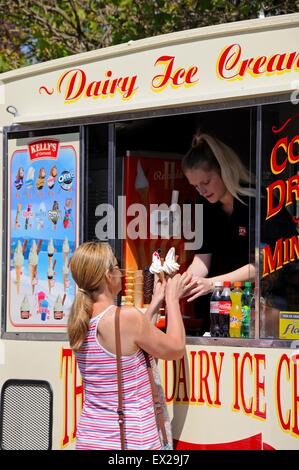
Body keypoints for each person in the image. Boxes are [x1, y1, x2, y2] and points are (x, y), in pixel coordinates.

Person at [67, 241, 194, 450]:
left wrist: (154, 303)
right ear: (108, 276)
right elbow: (176, 348)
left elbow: (131, 345)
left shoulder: (80, 319)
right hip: (131, 441)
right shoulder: (124, 318)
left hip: (90, 439)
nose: (121, 272)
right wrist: (172, 299)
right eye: (117, 267)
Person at [182, 131, 297, 333]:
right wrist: (183, 282)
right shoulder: (206, 206)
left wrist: (212, 283)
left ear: (224, 170)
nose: (201, 190)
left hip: (271, 302)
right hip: (227, 302)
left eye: (206, 182)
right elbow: (201, 260)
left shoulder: (259, 203)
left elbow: (261, 266)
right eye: (195, 186)